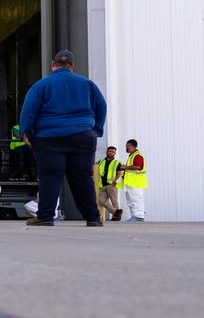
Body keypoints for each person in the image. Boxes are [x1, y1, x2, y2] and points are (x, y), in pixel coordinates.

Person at [17, 49, 107, 227]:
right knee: (82, 177)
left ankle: (45, 217)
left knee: (50, 176)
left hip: (49, 138)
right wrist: (96, 129)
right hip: (82, 136)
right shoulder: (87, 85)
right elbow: (101, 107)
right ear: (72, 66)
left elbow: (28, 110)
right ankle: (93, 218)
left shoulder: (41, 85)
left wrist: (25, 132)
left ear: (53, 65)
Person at [120, 138, 147, 222]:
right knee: (131, 200)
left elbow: (138, 167)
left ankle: (139, 217)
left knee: (136, 199)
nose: (126, 148)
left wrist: (125, 167)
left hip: (136, 183)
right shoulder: (132, 155)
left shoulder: (137, 155)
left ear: (131, 146)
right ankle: (134, 216)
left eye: (127, 146)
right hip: (131, 183)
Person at [95, 145, 123, 221]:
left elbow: (120, 172)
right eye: (110, 151)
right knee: (101, 201)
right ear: (107, 152)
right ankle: (115, 212)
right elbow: (95, 166)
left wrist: (115, 180)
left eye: (113, 152)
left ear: (115, 153)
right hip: (102, 185)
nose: (111, 153)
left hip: (111, 185)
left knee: (114, 201)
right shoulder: (101, 161)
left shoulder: (117, 162)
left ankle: (116, 217)